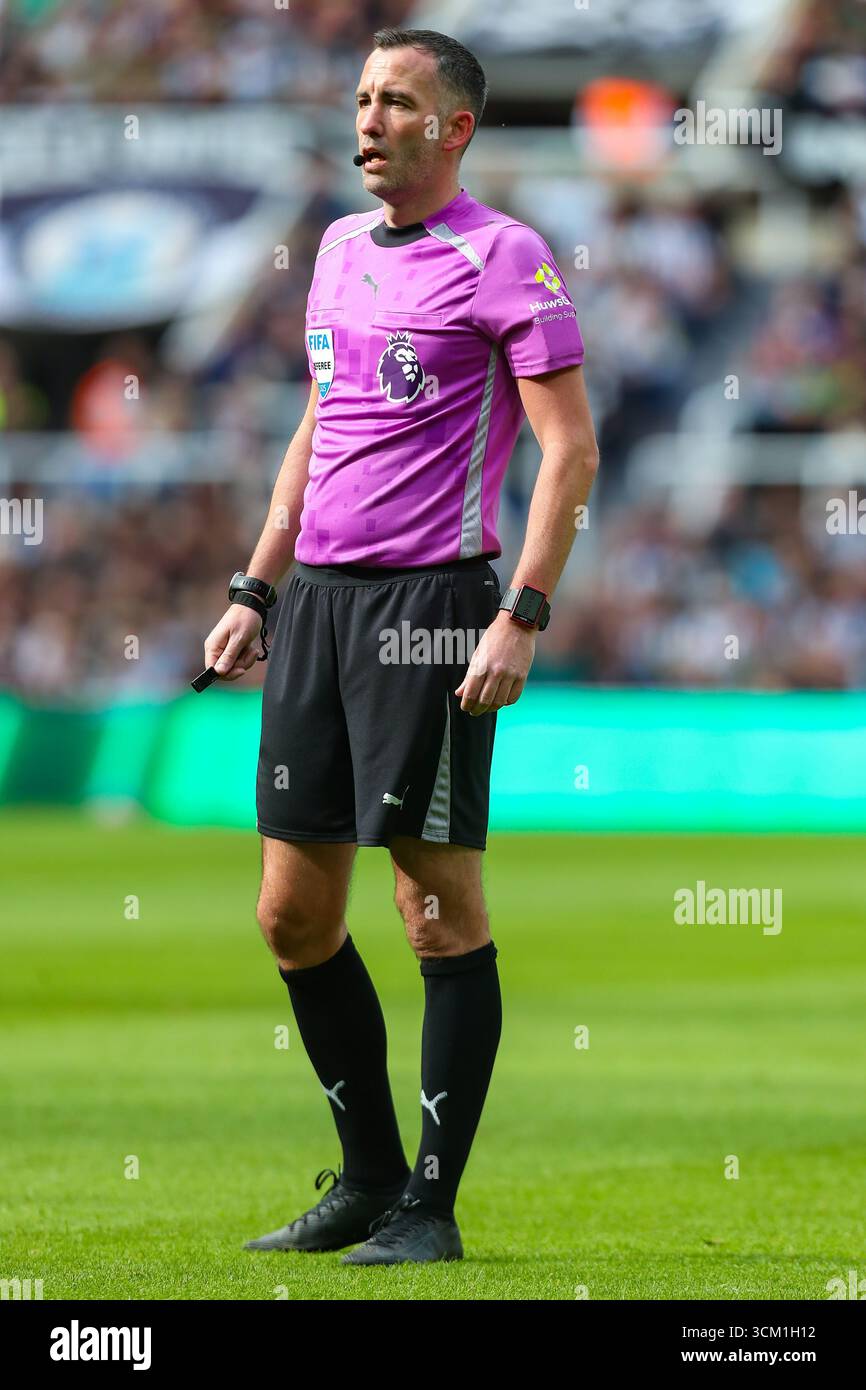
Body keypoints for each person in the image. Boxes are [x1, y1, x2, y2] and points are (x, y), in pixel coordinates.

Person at [204, 27, 599, 1266]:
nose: (369, 118)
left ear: (455, 128)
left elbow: (569, 451)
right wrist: (255, 587)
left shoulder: (505, 258)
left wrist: (520, 613)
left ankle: (431, 1205)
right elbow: (317, 429)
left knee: (432, 908)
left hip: (430, 606)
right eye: (362, 96)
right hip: (315, 602)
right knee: (290, 916)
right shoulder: (330, 249)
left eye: (398, 102)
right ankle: (366, 1178)